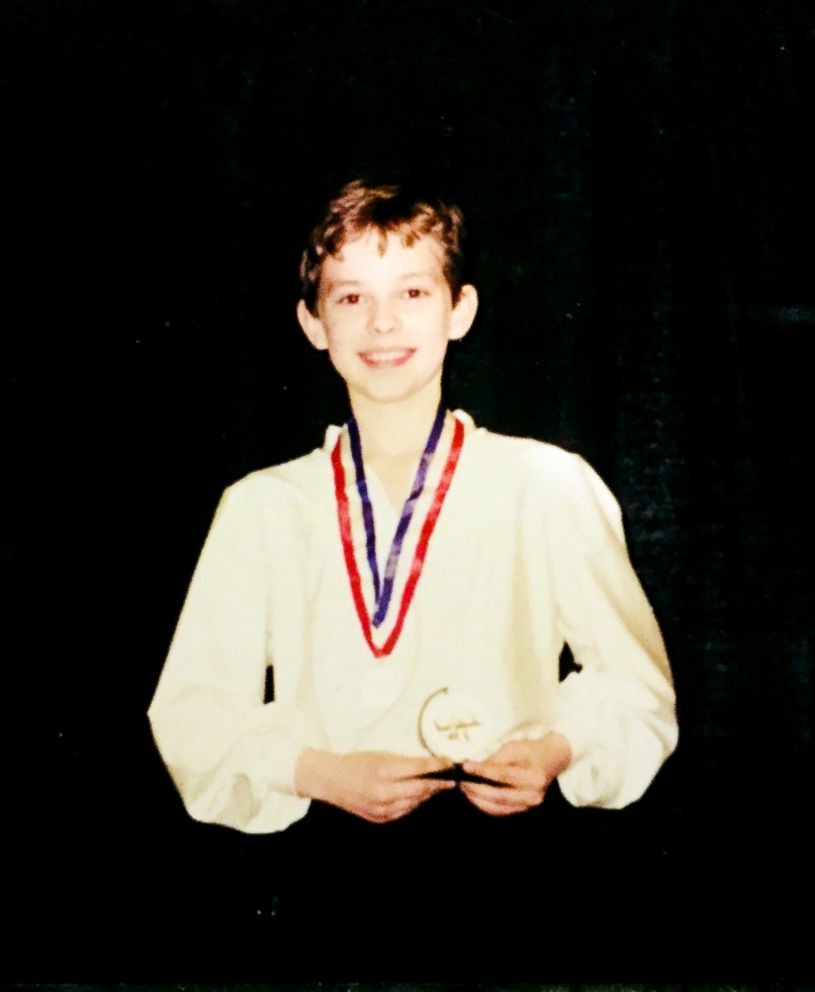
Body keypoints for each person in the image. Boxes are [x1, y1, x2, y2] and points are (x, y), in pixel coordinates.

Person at [147, 178, 678, 967]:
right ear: (311, 322)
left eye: (412, 291)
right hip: (320, 872)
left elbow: (637, 688)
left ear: (458, 310)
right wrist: (317, 771)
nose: (383, 322)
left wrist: (556, 752)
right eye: (351, 297)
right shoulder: (262, 508)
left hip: (511, 875)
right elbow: (189, 714)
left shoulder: (547, 485)